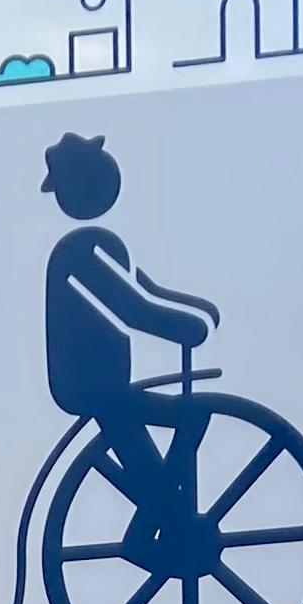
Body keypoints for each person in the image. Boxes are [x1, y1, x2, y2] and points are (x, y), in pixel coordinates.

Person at [41, 132, 223, 520]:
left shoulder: (101, 245)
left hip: (106, 384)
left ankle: (162, 515)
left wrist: (191, 308)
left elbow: (142, 288)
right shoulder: (82, 250)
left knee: (159, 436)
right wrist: (184, 328)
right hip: (92, 387)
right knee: (185, 419)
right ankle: (158, 523)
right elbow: (131, 309)